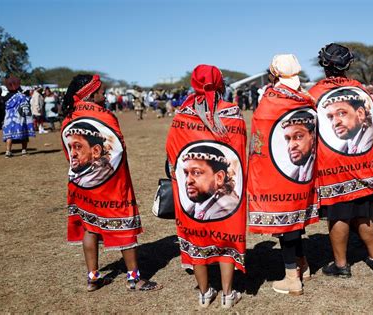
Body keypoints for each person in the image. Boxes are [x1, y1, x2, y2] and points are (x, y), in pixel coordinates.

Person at [61, 74, 162, 292]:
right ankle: (135, 279)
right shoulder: (104, 115)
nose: (104, 94)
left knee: (90, 228)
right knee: (125, 229)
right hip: (110, 185)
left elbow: (69, 153)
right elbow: (119, 148)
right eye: (100, 91)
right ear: (90, 93)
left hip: (81, 184)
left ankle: (93, 278)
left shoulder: (68, 117)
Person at [309, 43, 373, 278]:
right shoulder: (361, 91)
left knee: (339, 214)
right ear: (347, 65)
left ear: (324, 65)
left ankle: (341, 264)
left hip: (332, 165)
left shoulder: (314, 94)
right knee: (364, 212)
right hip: (364, 163)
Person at [166, 65, 246, 308]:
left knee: (196, 237)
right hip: (230, 198)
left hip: (190, 200)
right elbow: (240, 153)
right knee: (226, 240)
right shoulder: (232, 113)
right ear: (220, 83)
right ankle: (227, 294)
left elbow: (172, 155)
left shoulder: (182, 116)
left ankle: (204, 293)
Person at [248, 54, 319, 295]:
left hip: (277, 174)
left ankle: (292, 279)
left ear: (275, 74)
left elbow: (259, 140)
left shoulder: (270, 100)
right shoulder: (307, 99)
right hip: (304, 174)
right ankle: (303, 266)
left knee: (286, 225)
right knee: (296, 221)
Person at [182, 145, 240, 220]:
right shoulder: (194, 207)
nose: (188, 181)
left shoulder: (226, 207)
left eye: (197, 172)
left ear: (219, 177)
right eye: (186, 173)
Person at [322, 89, 373, 154]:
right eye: (330, 117)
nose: (335, 123)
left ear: (360, 113)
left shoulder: (371, 141)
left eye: (341, 113)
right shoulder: (344, 147)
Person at [64, 122, 115, 187]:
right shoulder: (82, 172)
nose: (72, 154)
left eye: (78, 147)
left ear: (96, 151)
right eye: (70, 147)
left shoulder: (96, 178)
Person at [2, 75, 35, 158]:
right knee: (24, 133)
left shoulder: (6, 97)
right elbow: (27, 105)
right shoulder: (22, 96)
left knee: (9, 135)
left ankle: (8, 151)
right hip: (20, 118)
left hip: (8, 119)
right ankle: (24, 151)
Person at [282, 110, 316, 181]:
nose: (291, 146)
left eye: (298, 137)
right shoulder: (293, 176)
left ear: (312, 136)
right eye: (288, 139)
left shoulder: (323, 167)